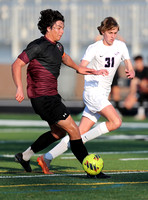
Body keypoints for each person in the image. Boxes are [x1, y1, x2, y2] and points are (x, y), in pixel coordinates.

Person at [11, 9, 108, 178]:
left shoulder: (58, 46)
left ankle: (24, 156)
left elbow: (68, 60)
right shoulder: (37, 46)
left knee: (58, 133)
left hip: (51, 97)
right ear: (48, 28)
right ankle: (91, 170)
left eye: (63, 28)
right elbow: (16, 64)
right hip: (43, 98)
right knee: (74, 131)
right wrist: (19, 87)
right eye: (58, 27)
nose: (62, 31)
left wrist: (92, 71)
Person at [37, 16, 135, 176]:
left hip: (103, 94)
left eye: (115, 32)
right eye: (110, 32)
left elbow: (130, 66)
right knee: (116, 121)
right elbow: (80, 67)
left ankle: (46, 158)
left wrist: (131, 71)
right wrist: (95, 71)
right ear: (103, 32)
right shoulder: (94, 48)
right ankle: (80, 142)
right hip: (92, 92)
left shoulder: (121, 46)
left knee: (78, 132)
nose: (113, 36)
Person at [124, 55, 148, 119]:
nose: (138, 64)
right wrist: (131, 95)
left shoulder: (146, 70)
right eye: (136, 62)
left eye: (139, 62)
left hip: (145, 90)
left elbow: (144, 84)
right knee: (127, 105)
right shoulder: (135, 72)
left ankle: (142, 113)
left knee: (137, 83)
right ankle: (141, 113)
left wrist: (138, 81)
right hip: (139, 92)